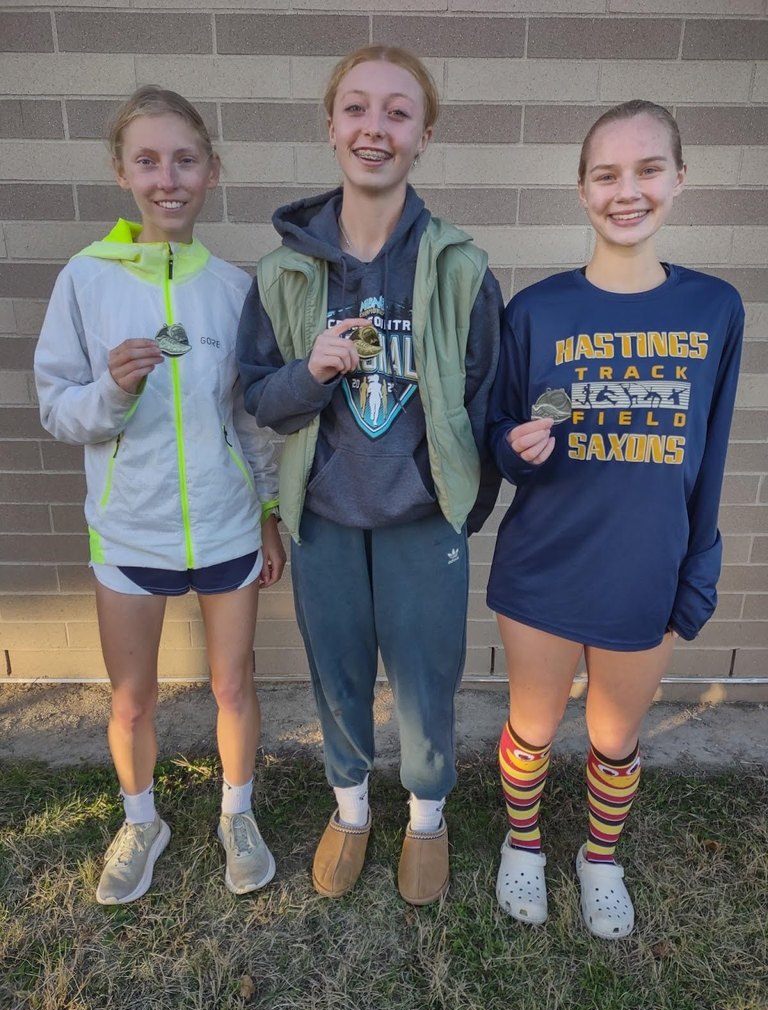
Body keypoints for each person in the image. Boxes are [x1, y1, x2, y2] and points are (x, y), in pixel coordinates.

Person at [237, 46, 502, 905]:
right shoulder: (284, 271)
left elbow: (484, 399)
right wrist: (309, 373)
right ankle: (350, 809)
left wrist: (460, 509)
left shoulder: (459, 267)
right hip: (325, 513)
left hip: (422, 516)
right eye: (356, 108)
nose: (374, 128)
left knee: (425, 674)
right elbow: (261, 399)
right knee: (338, 668)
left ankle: (427, 816)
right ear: (330, 126)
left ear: (425, 136)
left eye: (397, 111)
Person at [487, 100, 744, 939]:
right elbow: (499, 438)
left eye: (647, 170)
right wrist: (515, 448)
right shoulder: (537, 310)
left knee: (613, 735)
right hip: (544, 563)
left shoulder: (715, 308)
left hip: (644, 566)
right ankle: (523, 843)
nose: (626, 191)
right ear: (582, 189)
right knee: (532, 727)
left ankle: (601, 858)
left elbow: (711, 452)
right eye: (607, 175)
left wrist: (697, 566)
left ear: (679, 178)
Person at [34, 86, 286, 905]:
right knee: (133, 698)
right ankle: (141, 821)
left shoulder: (234, 290)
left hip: (225, 528)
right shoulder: (86, 280)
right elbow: (56, 408)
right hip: (131, 534)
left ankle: (236, 814)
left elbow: (249, 419)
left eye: (184, 160)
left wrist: (269, 512)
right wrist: (111, 390)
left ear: (212, 171)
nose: (167, 179)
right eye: (147, 161)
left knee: (233, 686)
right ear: (121, 172)